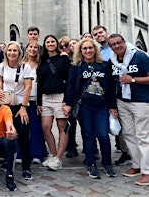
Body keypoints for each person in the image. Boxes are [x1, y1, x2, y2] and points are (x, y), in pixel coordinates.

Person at [63, 38, 117, 179]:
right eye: (85, 48)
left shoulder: (104, 65)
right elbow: (70, 86)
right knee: (88, 135)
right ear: (80, 51)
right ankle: (91, 164)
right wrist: (67, 103)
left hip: (102, 106)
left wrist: (112, 106)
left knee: (103, 135)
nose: (88, 51)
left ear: (95, 49)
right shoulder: (76, 67)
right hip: (85, 106)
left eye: (90, 48)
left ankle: (107, 163)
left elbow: (111, 87)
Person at [108, 34, 149, 186]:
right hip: (122, 101)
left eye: (119, 43)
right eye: (113, 44)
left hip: (140, 100)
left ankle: (147, 171)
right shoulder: (112, 60)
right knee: (129, 134)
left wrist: (132, 79)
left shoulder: (139, 55)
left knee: (143, 135)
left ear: (124, 42)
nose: (117, 46)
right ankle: (136, 165)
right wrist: (112, 105)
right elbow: (112, 83)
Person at [0, 41, 34, 180]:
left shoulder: (25, 67)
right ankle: (8, 161)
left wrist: (24, 107)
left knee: (24, 135)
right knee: (6, 135)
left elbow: (28, 87)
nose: (12, 53)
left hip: (20, 105)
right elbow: (1, 81)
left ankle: (26, 167)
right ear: (6, 52)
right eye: (9, 50)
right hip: (6, 105)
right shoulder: (2, 66)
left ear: (19, 53)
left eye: (15, 50)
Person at [37, 34, 71, 171]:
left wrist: (67, 101)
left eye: (52, 41)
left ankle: (59, 158)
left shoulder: (63, 59)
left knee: (62, 127)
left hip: (60, 97)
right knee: (46, 127)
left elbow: (69, 81)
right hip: (46, 98)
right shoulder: (42, 60)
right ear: (44, 44)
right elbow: (39, 83)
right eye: (47, 42)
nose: (50, 44)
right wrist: (39, 101)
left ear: (56, 44)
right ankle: (53, 154)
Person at [21, 40, 45, 164]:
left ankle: (37, 153)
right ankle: (20, 153)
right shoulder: (21, 64)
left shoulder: (40, 64)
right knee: (22, 128)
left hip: (36, 99)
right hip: (23, 100)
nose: (33, 49)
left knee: (36, 128)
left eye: (35, 47)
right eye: (30, 46)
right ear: (26, 48)